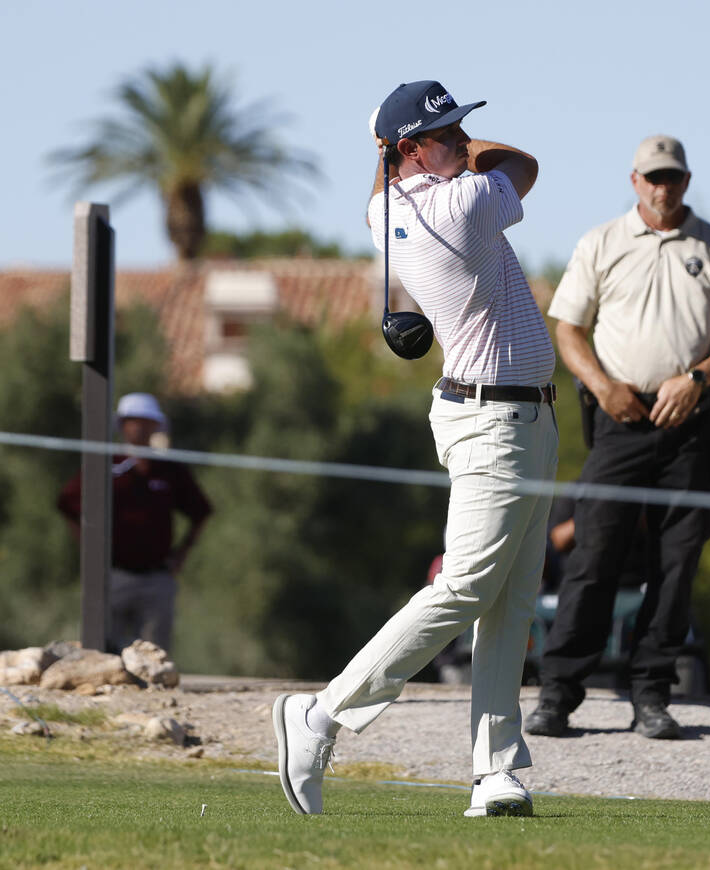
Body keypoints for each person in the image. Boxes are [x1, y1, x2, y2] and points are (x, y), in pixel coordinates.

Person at [271, 80, 557, 818]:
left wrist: (408, 149)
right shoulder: (463, 203)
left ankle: (494, 771)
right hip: (498, 421)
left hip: (515, 418)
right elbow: (524, 164)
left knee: (511, 601)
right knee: (465, 586)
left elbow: (396, 185)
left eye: (464, 132)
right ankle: (323, 713)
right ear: (408, 151)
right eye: (448, 135)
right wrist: (451, 156)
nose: (463, 145)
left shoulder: (382, 212)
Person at [525, 135, 710, 740]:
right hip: (619, 416)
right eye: (653, 177)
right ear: (634, 180)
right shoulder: (601, 242)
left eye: (673, 178)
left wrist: (699, 379)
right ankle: (557, 694)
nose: (664, 188)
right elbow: (569, 330)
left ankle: (652, 693)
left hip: (690, 421)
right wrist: (603, 387)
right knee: (594, 554)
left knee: (677, 562)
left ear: (686, 180)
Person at [58, 392, 212, 654]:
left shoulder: (169, 469)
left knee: (155, 655)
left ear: (156, 426)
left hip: (157, 577)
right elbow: (67, 503)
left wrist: (181, 554)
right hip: (113, 575)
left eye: (145, 421)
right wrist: (88, 551)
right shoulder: (106, 464)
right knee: (104, 653)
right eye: (132, 421)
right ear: (122, 424)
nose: (139, 427)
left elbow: (201, 511)